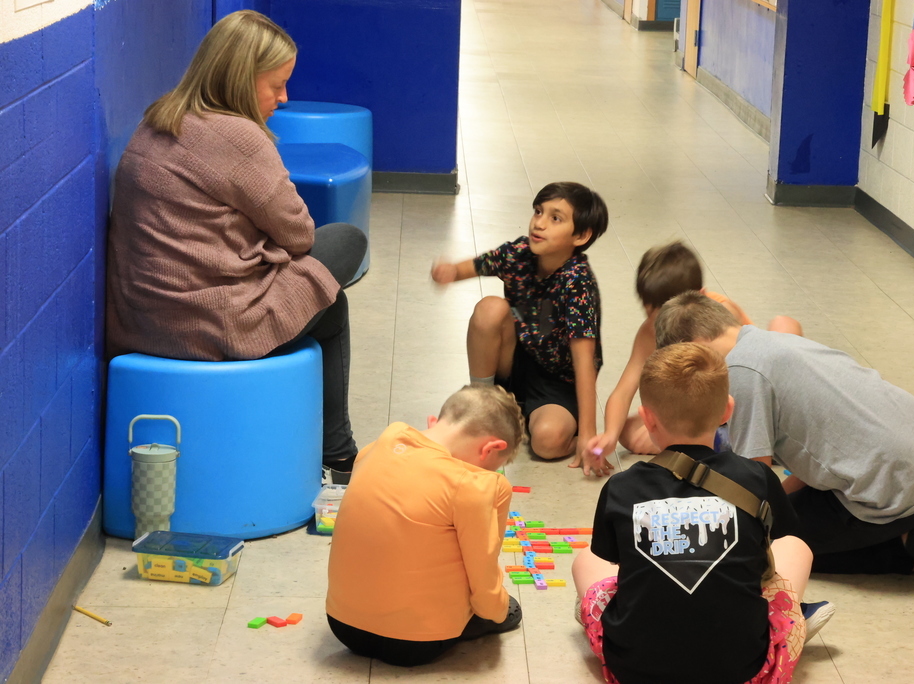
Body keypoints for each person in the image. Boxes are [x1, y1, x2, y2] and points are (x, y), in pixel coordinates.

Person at [105, 10, 367, 484]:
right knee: (343, 247)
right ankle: (341, 454)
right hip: (211, 324)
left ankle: (339, 451)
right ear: (242, 80)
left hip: (139, 323)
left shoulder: (156, 120)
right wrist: (274, 249)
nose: (284, 99)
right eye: (276, 86)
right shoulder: (238, 137)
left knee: (323, 292)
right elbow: (301, 235)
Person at [655, 291, 914, 602]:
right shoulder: (775, 342)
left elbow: (752, 484)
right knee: (786, 515)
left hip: (896, 488)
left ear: (694, 348)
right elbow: (813, 457)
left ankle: (911, 545)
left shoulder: (740, 372)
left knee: (776, 547)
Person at [574, 343, 825, 684]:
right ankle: (792, 624)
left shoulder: (620, 487)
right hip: (744, 672)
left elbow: (615, 562)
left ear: (647, 417)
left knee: (585, 561)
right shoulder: (758, 477)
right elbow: (773, 548)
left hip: (634, 672)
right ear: (728, 410)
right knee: (795, 546)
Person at [326, 385, 526, 666]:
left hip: (343, 626)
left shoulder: (382, 443)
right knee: (507, 609)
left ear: (434, 422)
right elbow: (483, 580)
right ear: (491, 448)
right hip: (416, 644)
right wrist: (499, 609)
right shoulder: (474, 485)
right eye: (491, 466)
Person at [431, 182, 612, 476]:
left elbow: (584, 361)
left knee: (547, 443)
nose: (539, 223)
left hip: (556, 381)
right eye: (538, 212)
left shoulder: (578, 282)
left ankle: (550, 427)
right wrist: (449, 272)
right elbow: (476, 266)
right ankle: (483, 403)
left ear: (580, 235)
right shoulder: (519, 253)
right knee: (490, 308)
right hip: (515, 358)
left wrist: (589, 434)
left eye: (555, 218)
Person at [590, 241, 802, 457]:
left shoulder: (720, 316)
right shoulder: (649, 331)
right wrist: (609, 435)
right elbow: (623, 391)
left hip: (747, 405)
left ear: (698, 298)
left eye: (666, 314)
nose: (660, 323)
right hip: (707, 412)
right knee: (628, 429)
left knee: (784, 325)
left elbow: (748, 380)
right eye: (650, 313)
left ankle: (747, 441)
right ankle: (721, 443)